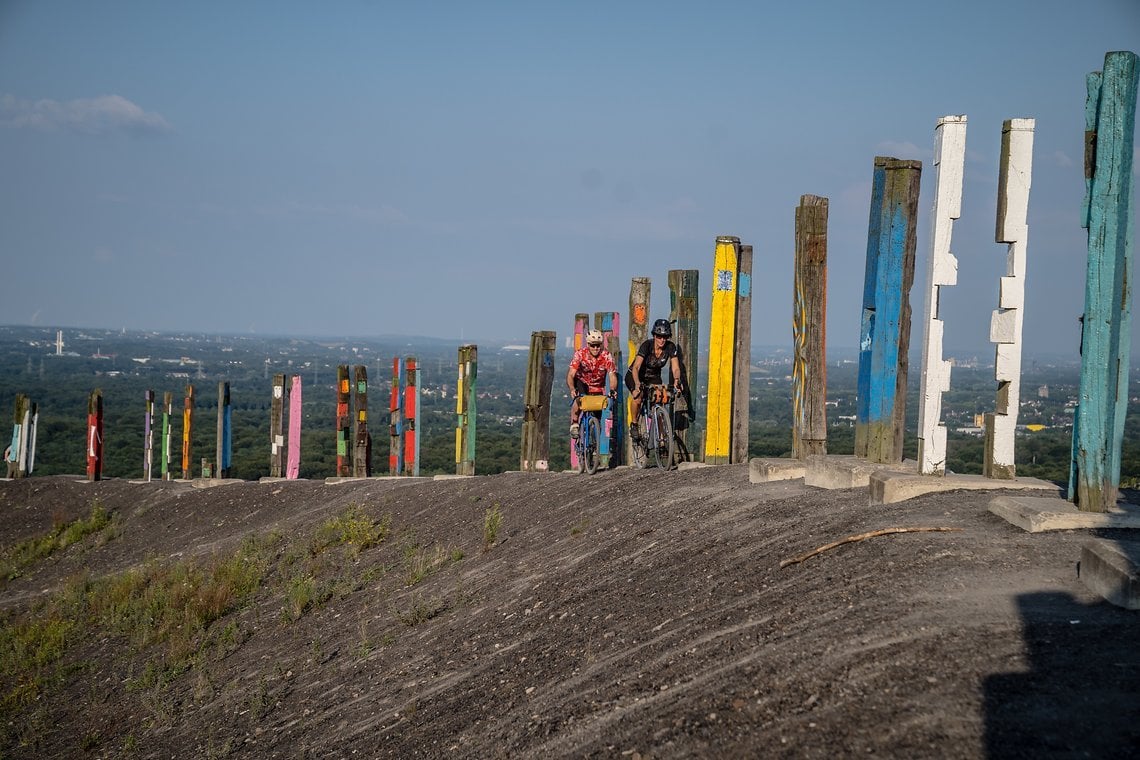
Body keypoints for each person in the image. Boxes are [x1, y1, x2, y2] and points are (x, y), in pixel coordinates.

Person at [627, 318, 683, 440]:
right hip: (636, 375)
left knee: (660, 399)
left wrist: (677, 381)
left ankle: (662, 440)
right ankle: (634, 424)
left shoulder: (670, 347)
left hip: (653, 376)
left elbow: (676, 368)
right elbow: (636, 367)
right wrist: (637, 384)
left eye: (665, 337)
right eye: (659, 336)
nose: (662, 339)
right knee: (638, 397)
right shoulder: (646, 346)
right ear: (654, 335)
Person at [566, 329, 617, 438]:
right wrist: (571, 389)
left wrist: (612, 390)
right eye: (593, 346)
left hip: (598, 386)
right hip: (582, 382)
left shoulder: (606, 356)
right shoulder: (580, 354)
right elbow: (571, 375)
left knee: (598, 416)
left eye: (598, 345)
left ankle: (594, 443)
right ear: (588, 344)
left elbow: (612, 376)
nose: (596, 348)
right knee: (579, 399)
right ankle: (575, 423)